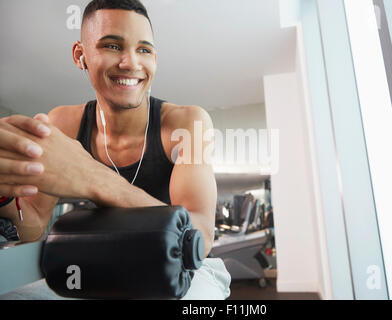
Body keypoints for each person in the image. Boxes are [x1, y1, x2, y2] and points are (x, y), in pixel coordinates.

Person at [0, 0, 230, 299]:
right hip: (105, 258)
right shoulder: (62, 122)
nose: (131, 63)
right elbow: (32, 229)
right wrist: (5, 193)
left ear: (155, 60)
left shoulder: (187, 122)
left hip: (184, 266)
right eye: (112, 46)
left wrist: (91, 177)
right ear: (80, 55)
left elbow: (198, 235)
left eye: (144, 50)